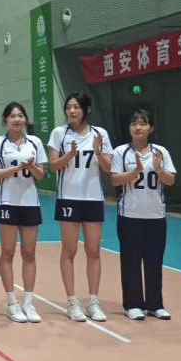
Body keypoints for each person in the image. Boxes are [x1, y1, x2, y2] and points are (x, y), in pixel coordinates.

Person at [46, 91, 114, 322]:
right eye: (68, 107)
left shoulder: (100, 134)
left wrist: (97, 151)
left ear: (86, 110)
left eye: (76, 107)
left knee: (93, 250)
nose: (71, 111)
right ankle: (72, 302)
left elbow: (107, 168)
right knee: (69, 250)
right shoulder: (59, 133)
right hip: (68, 198)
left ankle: (93, 301)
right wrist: (70, 155)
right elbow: (54, 165)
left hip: (93, 198)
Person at [111, 109, 177, 321]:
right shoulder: (121, 152)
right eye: (134, 123)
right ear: (129, 128)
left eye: (143, 123)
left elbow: (170, 180)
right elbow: (115, 179)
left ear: (151, 128)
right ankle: (132, 304)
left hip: (156, 216)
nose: (138, 127)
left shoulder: (161, 152)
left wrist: (158, 170)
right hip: (129, 216)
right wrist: (135, 172)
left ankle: (155, 304)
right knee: (131, 261)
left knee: (154, 260)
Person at [0, 102, 46, 324]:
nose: (17, 119)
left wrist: (31, 167)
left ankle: (28, 302)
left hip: (30, 203)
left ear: (25, 119)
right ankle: (12, 303)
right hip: (7, 202)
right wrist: (14, 169)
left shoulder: (35, 142)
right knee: (8, 252)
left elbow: (41, 175)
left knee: (29, 253)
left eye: (20, 115)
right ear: (5, 120)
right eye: (12, 116)